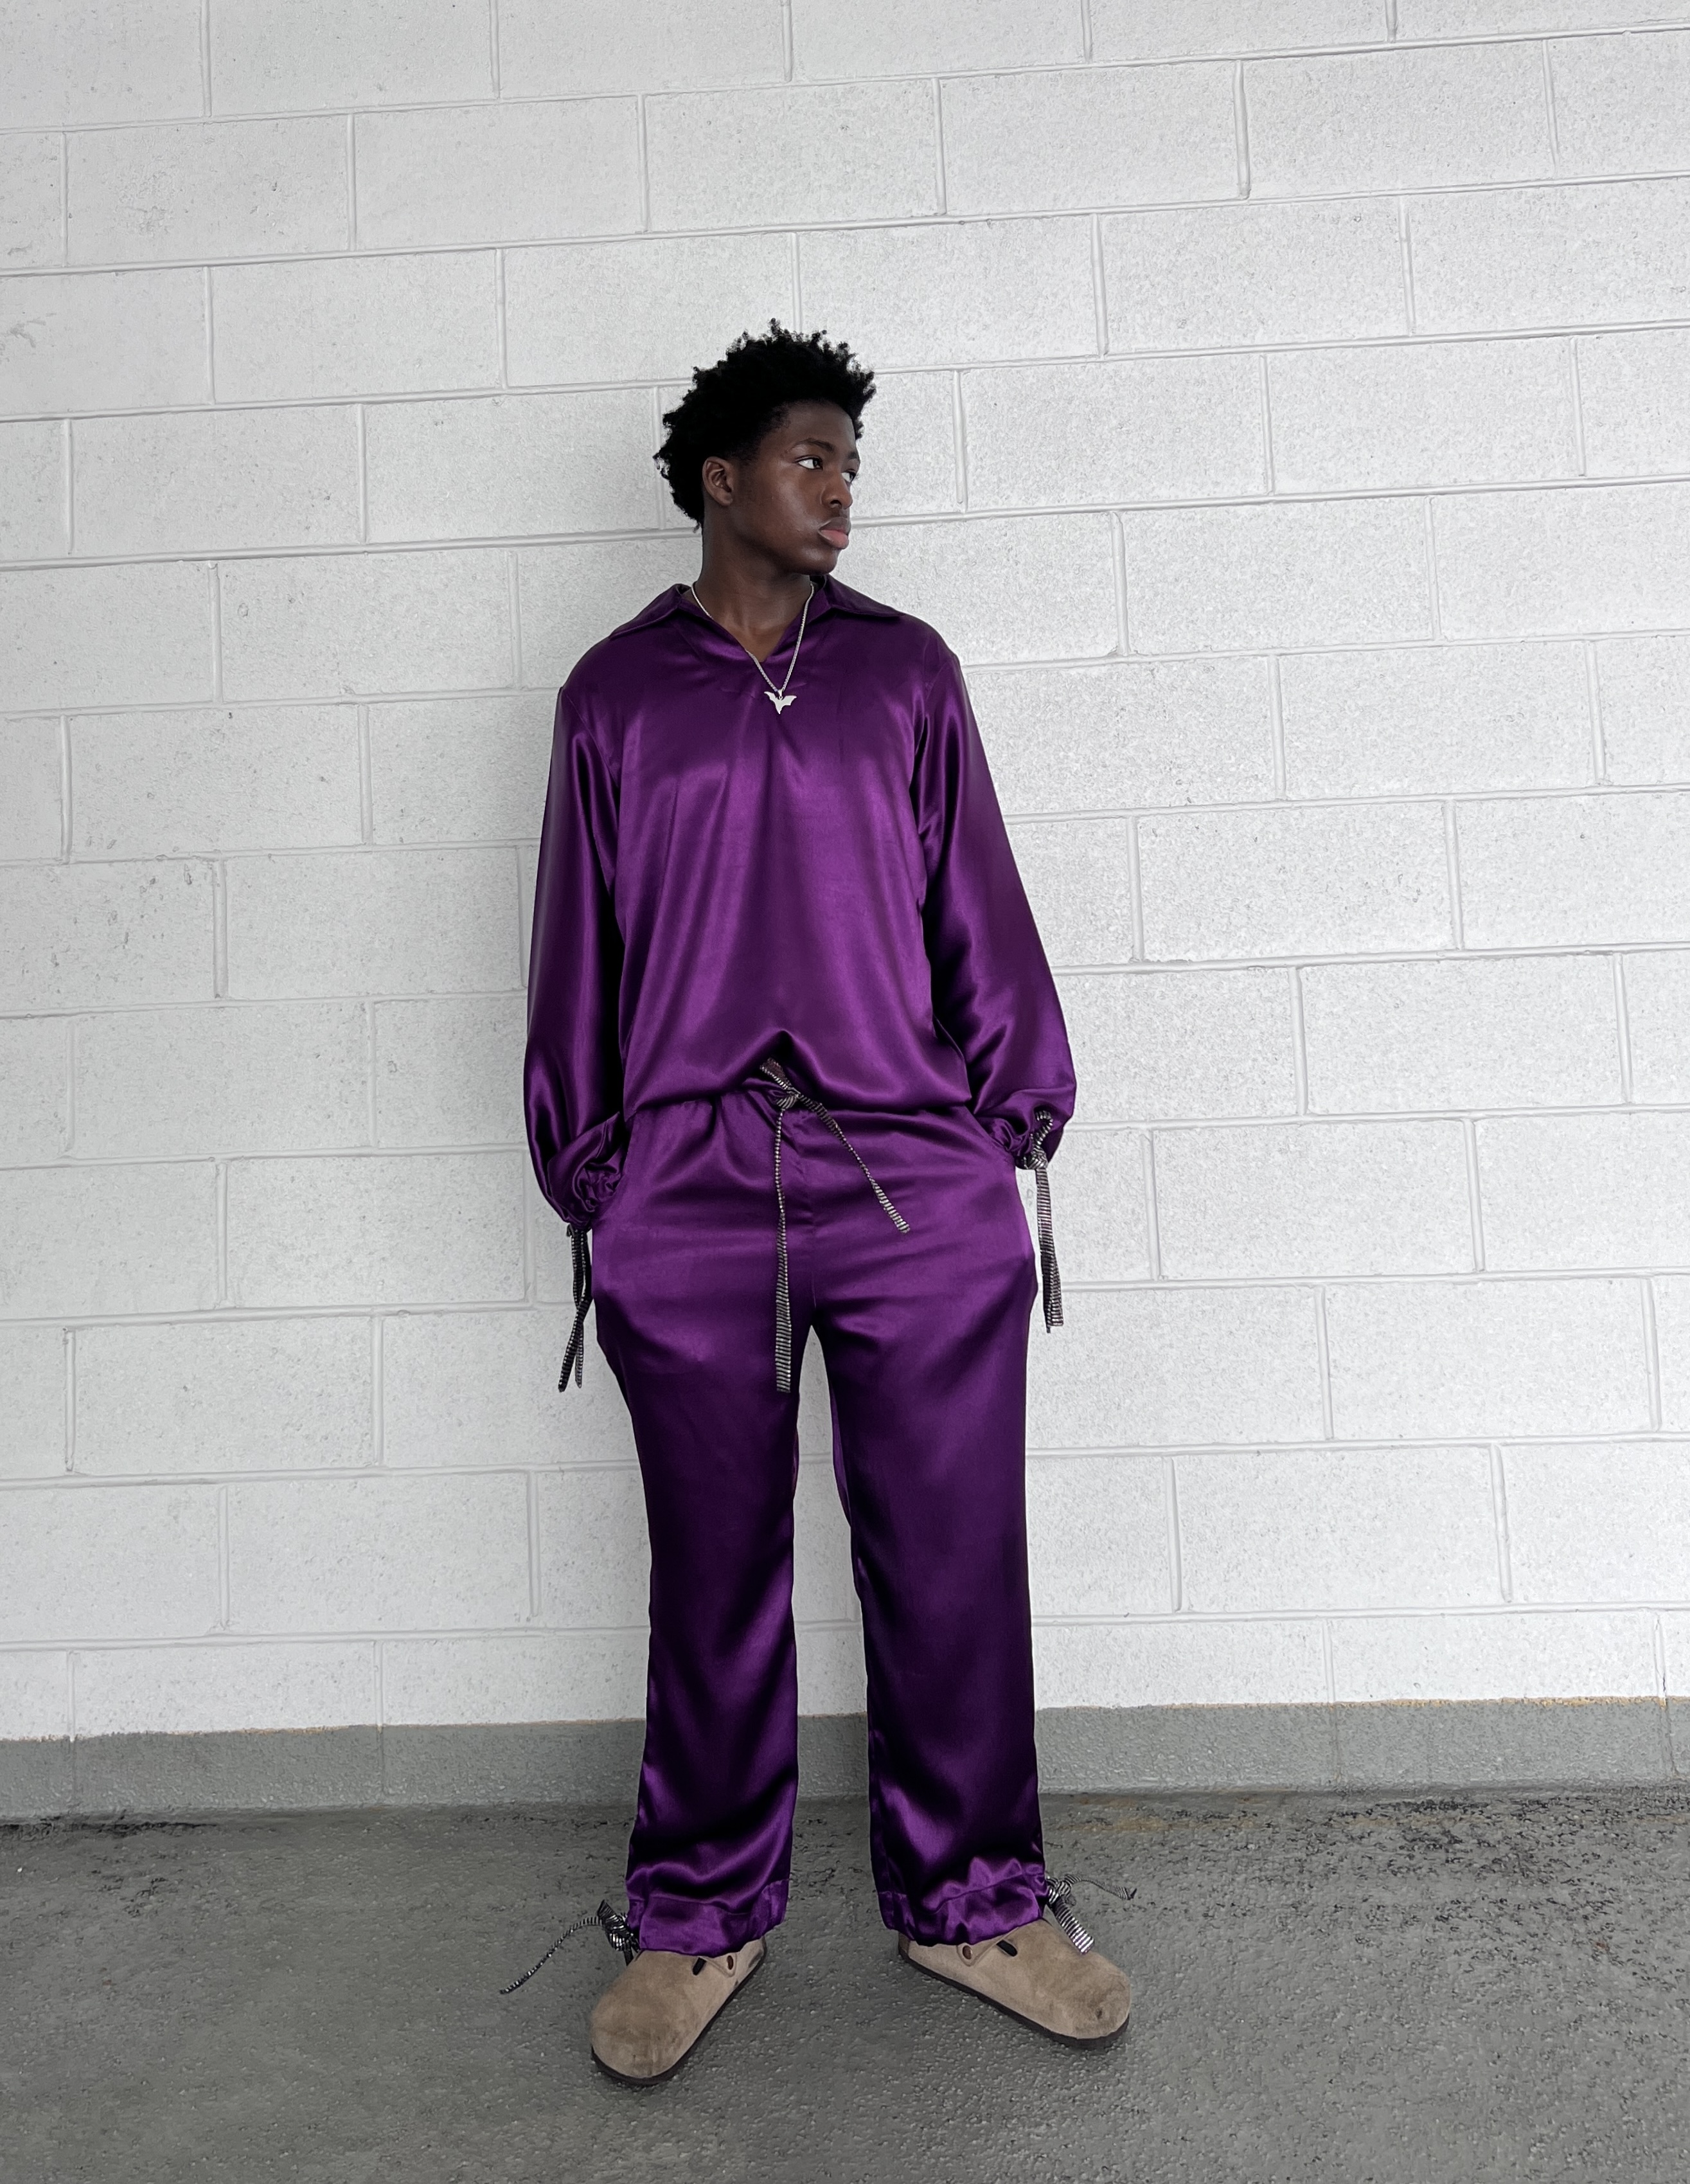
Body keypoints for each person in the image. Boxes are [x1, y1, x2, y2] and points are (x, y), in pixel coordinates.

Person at [523, 321, 1132, 2085]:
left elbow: (977, 901)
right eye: (811, 459)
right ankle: (698, 1914)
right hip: (690, 1181)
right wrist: (595, 1162)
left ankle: (977, 1904)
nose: (842, 489)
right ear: (722, 480)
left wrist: (1012, 1115)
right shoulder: (613, 696)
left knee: (951, 1558)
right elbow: (576, 946)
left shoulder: (907, 672)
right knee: (713, 1572)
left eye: (852, 463)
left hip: (909, 1173)